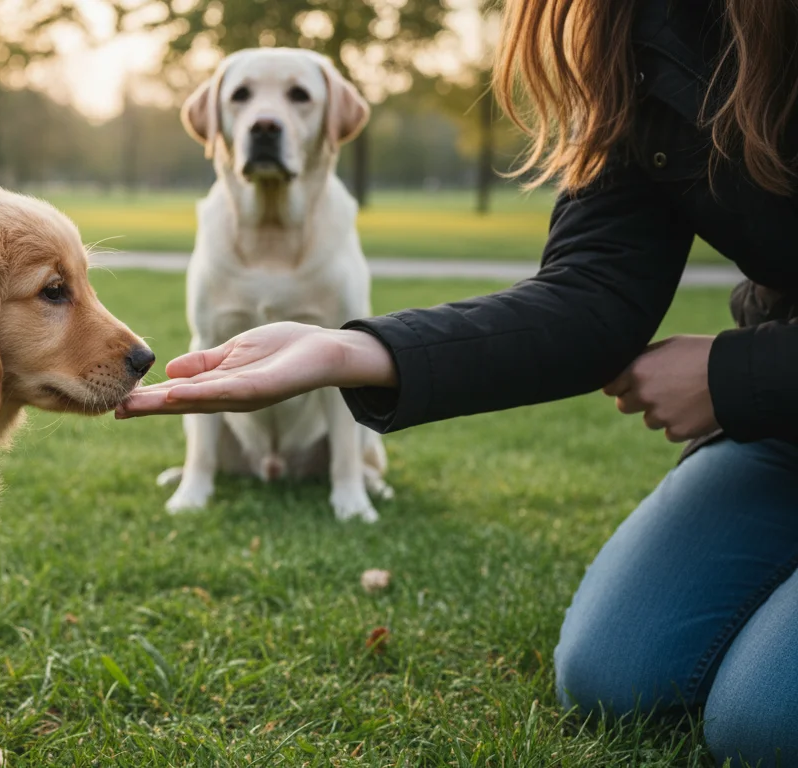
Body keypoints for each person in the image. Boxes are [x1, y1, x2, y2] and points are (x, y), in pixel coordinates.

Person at [118, 0, 798, 764]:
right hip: (784, 432)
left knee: (760, 722)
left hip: (769, 389)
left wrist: (737, 374)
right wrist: (349, 352)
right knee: (613, 679)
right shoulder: (632, 35)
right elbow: (592, 294)